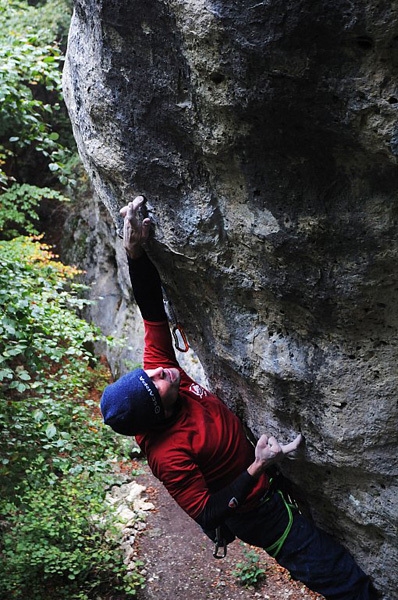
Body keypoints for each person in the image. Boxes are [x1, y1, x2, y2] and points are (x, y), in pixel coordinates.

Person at [101, 196, 378, 600]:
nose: (163, 371)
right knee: (336, 575)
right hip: (256, 511)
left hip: (268, 477)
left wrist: (135, 253)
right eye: (157, 382)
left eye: (152, 372)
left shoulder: (158, 372)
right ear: (157, 412)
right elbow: (209, 511)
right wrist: (257, 467)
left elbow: (151, 310)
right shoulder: (168, 455)